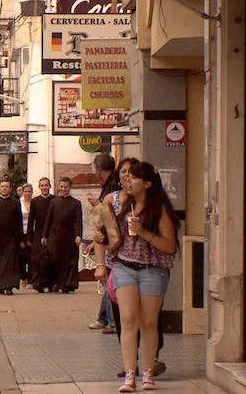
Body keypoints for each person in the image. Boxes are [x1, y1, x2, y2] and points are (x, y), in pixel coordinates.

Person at [94, 162, 178, 392]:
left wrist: (144, 233)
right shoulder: (122, 206)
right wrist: (101, 236)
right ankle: (130, 374)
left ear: (147, 184)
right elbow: (109, 239)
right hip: (124, 268)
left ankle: (148, 373)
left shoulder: (159, 209)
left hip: (153, 270)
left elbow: (170, 246)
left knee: (148, 323)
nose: (127, 181)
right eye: (126, 177)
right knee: (128, 320)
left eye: (134, 178)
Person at [86, 153, 120, 333]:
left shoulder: (113, 187)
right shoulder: (109, 184)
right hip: (106, 239)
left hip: (112, 242)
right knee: (108, 279)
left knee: (109, 279)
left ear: (99, 168)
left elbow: (107, 216)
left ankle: (112, 320)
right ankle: (105, 317)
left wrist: (97, 204)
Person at [42, 177, 83, 293]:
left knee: (69, 261)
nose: (63, 189)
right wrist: (44, 235)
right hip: (54, 235)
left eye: (65, 187)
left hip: (69, 235)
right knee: (54, 259)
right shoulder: (53, 202)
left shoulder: (76, 203)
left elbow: (78, 221)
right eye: (61, 187)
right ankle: (55, 283)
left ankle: (67, 284)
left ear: (70, 187)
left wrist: (78, 235)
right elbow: (48, 220)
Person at [0, 179, 24, 295]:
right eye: (2, 186)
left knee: (11, 262)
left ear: (11, 189)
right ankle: (1, 286)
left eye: (7, 187)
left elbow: (19, 222)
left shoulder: (15, 203)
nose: (4, 188)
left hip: (12, 237)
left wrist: (21, 239)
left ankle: (9, 286)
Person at [27, 178, 54, 293]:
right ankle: (38, 283)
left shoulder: (55, 200)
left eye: (46, 185)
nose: (44, 187)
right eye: (42, 185)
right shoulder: (35, 201)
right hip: (38, 233)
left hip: (52, 233)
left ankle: (52, 283)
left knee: (51, 258)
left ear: (50, 186)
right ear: (39, 187)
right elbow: (31, 220)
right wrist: (29, 238)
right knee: (38, 259)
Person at [19, 183, 33, 288]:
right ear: (22, 192)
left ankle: (31, 278)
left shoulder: (35, 203)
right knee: (22, 256)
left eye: (29, 192)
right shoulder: (19, 203)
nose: (28, 194)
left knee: (32, 256)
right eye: (26, 191)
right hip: (22, 232)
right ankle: (23, 277)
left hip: (32, 232)